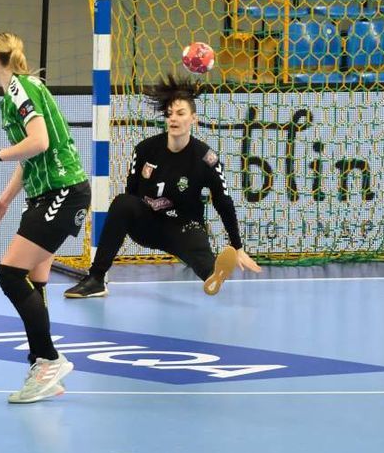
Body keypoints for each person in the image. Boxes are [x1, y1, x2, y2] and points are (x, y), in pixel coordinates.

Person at [0, 32, 90, 404]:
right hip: (48, 193)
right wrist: (3, 200)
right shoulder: (16, 93)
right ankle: (41, 366)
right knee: (36, 279)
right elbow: (31, 157)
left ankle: (49, 360)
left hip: (62, 191)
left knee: (9, 274)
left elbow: (40, 142)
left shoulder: (20, 89)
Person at [64, 75, 261, 299]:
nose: (174, 119)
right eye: (170, 114)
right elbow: (131, 195)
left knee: (198, 248)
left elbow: (224, 202)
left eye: (181, 113)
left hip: (183, 227)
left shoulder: (206, 158)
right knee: (122, 203)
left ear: (194, 119)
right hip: (148, 226)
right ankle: (96, 279)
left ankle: (212, 275)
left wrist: (237, 246)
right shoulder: (145, 150)